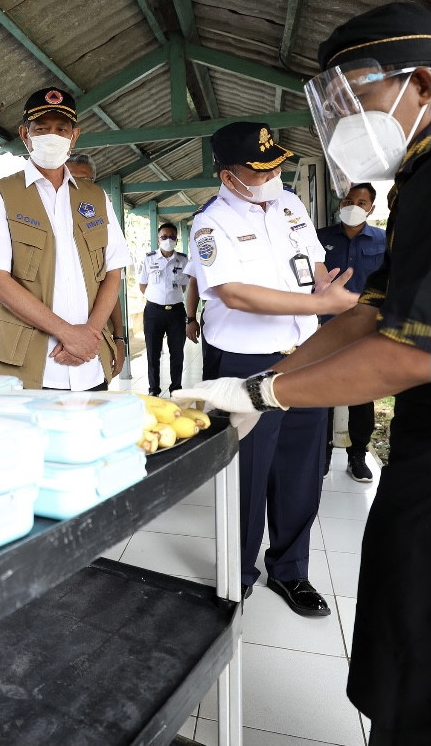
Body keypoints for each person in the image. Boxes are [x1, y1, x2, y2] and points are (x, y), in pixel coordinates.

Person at [176, 3, 431, 743]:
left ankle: (289, 564)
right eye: (338, 103)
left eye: (362, 95)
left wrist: (266, 389)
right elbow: (363, 316)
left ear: (421, 81)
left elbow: (408, 350)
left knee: (414, 665)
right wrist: (258, 383)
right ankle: (246, 573)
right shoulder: (412, 180)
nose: (350, 119)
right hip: (277, 359)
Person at [184, 121, 357, 617]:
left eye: (277, 163)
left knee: (301, 466)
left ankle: (291, 571)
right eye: (260, 169)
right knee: (248, 472)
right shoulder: (208, 223)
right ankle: (236, 575)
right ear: (228, 174)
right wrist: (316, 304)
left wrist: (326, 295)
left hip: (305, 353)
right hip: (246, 360)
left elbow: (315, 267)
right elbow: (233, 292)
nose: (274, 173)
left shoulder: (290, 205)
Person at [0, 88, 129, 391]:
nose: (51, 136)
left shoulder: (96, 197)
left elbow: (114, 271)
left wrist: (89, 334)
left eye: (61, 129)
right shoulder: (1, 193)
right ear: (25, 134)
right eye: (41, 129)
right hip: (27, 367)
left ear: (74, 136)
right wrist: (68, 334)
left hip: (89, 364)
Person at [316, 183, 385, 481]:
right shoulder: (320, 238)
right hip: (325, 327)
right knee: (322, 391)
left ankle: (357, 454)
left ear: (371, 208)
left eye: (361, 201)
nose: (353, 204)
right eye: (348, 199)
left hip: (366, 328)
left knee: (361, 392)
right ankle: (321, 455)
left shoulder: (383, 240)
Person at [67, 152, 128, 378]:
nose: (79, 187)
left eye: (86, 181)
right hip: (48, 344)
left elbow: (111, 284)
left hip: (93, 341)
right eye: (72, 179)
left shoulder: (101, 223)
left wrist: (119, 339)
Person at [138, 223, 188, 395]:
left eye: (172, 237)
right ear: (158, 239)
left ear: (177, 239)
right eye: (164, 237)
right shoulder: (148, 259)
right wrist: (157, 299)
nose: (168, 240)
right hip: (153, 312)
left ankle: (176, 389)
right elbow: (143, 285)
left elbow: (184, 286)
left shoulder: (183, 260)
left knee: (177, 353)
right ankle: (154, 389)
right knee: (153, 353)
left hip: (176, 312)